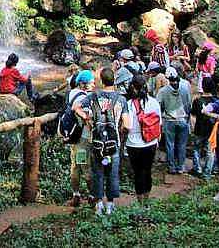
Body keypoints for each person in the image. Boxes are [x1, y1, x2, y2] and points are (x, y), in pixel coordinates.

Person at [75, 67, 127, 216]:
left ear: (101, 81)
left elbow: (76, 107)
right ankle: (110, 205)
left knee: (97, 172)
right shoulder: (121, 99)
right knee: (112, 174)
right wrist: (122, 134)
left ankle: (98, 205)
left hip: (96, 142)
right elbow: (127, 125)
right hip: (113, 143)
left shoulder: (93, 96)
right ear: (114, 81)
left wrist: (86, 118)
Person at [122, 74, 161, 205]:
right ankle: (147, 200)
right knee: (147, 171)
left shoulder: (128, 105)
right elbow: (159, 123)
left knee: (137, 173)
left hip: (133, 144)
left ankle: (140, 203)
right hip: (150, 142)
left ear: (132, 87)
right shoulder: (154, 103)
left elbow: (126, 126)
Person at [156, 67, 192, 175]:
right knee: (182, 144)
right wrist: (186, 117)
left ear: (168, 79)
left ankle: (171, 166)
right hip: (182, 119)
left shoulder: (163, 91)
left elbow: (158, 105)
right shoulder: (185, 89)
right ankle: (180, 166)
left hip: (169, 120)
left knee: (170, 144)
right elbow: (188, 105)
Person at [68, 70, 96, 207]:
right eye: (92, 82)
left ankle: (76, 194)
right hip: (83, 139)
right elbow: (86, 117)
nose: (94, 84)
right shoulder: (83, 98)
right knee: (83, 166)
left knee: (76, 165)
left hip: (75, 137)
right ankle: (90, 196)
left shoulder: (73, 92)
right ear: (84, 84)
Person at [190, 76, 217, 179]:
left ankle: (197, 169)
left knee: (196, 148)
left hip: (199, 128)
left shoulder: (197, 101)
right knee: (210, 151)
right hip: (212, 129)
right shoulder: (216, 101)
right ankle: (207, 172)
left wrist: (192, 128)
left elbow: (193, 116)